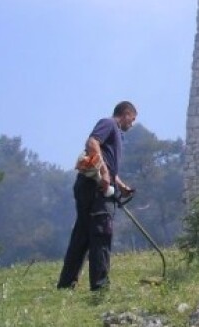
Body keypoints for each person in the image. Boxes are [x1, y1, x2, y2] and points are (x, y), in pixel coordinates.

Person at [57, 101, 137, 291]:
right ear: (125, 113)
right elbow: (92, 143)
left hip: (90, 187)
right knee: (102, 233)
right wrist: (104, 174)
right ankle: (100, 286)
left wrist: (121, 186)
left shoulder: (118, 135)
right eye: (132, 120)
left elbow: (108, 166)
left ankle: (66, 284)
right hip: (95, 189)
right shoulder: (109, 124)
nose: (131, 124)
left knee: (82, 236)